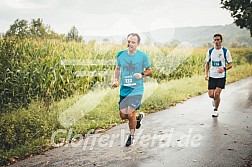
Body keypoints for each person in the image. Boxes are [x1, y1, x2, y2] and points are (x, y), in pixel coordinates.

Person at [112, 33, 152, 146]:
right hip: (124, 89)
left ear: (138, 44)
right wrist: (115, 80)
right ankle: (138, 118)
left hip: (136, 90)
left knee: (130, 114)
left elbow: (150, 70)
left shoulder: (143, 56)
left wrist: (142, 74)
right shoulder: (120, 55)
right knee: (123, 115)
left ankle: (132, 136)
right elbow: (117, 68)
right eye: (129, 41)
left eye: (133, 42)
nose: (130, 44)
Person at [205, 33, 232, 117]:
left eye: (218, 40)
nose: (216, 41)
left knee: (217, 93)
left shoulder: (225, 51)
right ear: (213, 41)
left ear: (221, 40)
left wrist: (224, 68)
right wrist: (206, 74)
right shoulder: (210, 51)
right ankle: (215, 100)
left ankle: (215, 110)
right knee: (210, 95)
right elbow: (207, 64)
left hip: (221, 77)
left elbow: (230, 64)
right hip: (212, 76)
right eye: (215, 40)